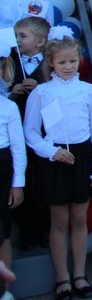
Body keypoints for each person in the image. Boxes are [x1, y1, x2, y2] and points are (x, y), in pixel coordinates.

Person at [24, 28, 92, 299]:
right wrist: (51, 151)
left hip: (82, 157)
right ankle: (62, 278)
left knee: (80, 217)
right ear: (51, 63)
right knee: (59, 220)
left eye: (73, 61)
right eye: (62, 62)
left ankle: (80, 274)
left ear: (79, 60)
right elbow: (31, 131)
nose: (68, 67)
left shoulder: (89, 91)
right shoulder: (42, 93)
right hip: (55, 159)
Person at [1, 17, 50, 250]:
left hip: (44, 133)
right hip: (16, 130)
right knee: (22, 182)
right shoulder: (10, 62)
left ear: (40, 42)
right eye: (16, 36)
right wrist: (13, 91)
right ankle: (27, 234)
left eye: (23, 36)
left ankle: (45, 232)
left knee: (42, 181)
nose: (18, 40)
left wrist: (41, 89)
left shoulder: (50, 64)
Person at [0, 88, 25, 272]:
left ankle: (4, 290)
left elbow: (18, 147)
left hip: (2, 167)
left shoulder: (8, 107)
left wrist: (17, 184)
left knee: (2, 233)